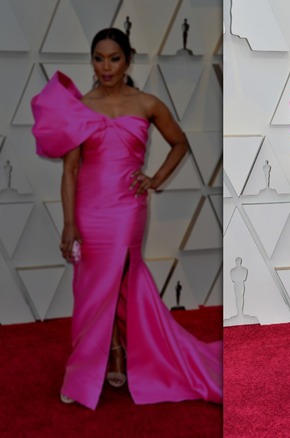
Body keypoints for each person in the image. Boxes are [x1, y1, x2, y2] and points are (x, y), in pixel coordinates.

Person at [31, 28, 222, 410]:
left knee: (119, 276)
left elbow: (180, 142)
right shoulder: (79, 106)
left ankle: (121, 353)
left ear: (128, 60)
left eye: (114, 58)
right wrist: (69, 223)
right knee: (89, 287)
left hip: (127, 208)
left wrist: (155, 180)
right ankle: (94, 364)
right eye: (99, 58)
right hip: (88, 208)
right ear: (92, 61)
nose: (106, 66)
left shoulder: (147, 103)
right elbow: (69, 171)